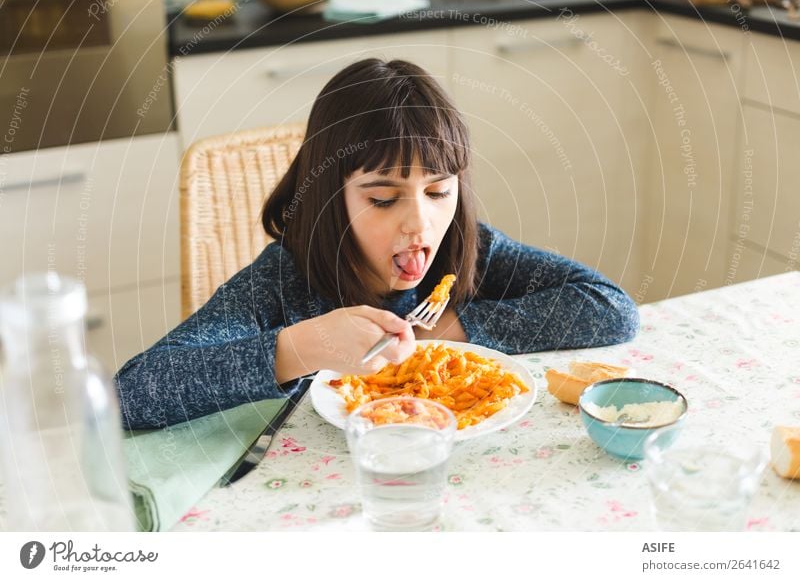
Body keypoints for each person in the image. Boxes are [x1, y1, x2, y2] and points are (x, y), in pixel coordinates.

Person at [114, 58, 639, 430]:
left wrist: (445, 331)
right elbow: (131, 395)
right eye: (385, 198)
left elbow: (612, 309)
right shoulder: (282, 281)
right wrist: (301, 347)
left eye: (438, 191)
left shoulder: (466, 248)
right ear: (329, 197)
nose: (421, 224)